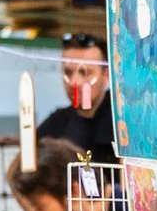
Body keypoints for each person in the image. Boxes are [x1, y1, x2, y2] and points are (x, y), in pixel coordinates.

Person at [37, 33, 119, 166]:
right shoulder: (56, 125)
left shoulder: (123, 122)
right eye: (68, 73)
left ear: (106, 75)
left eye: (85, 73)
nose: (74, 82)